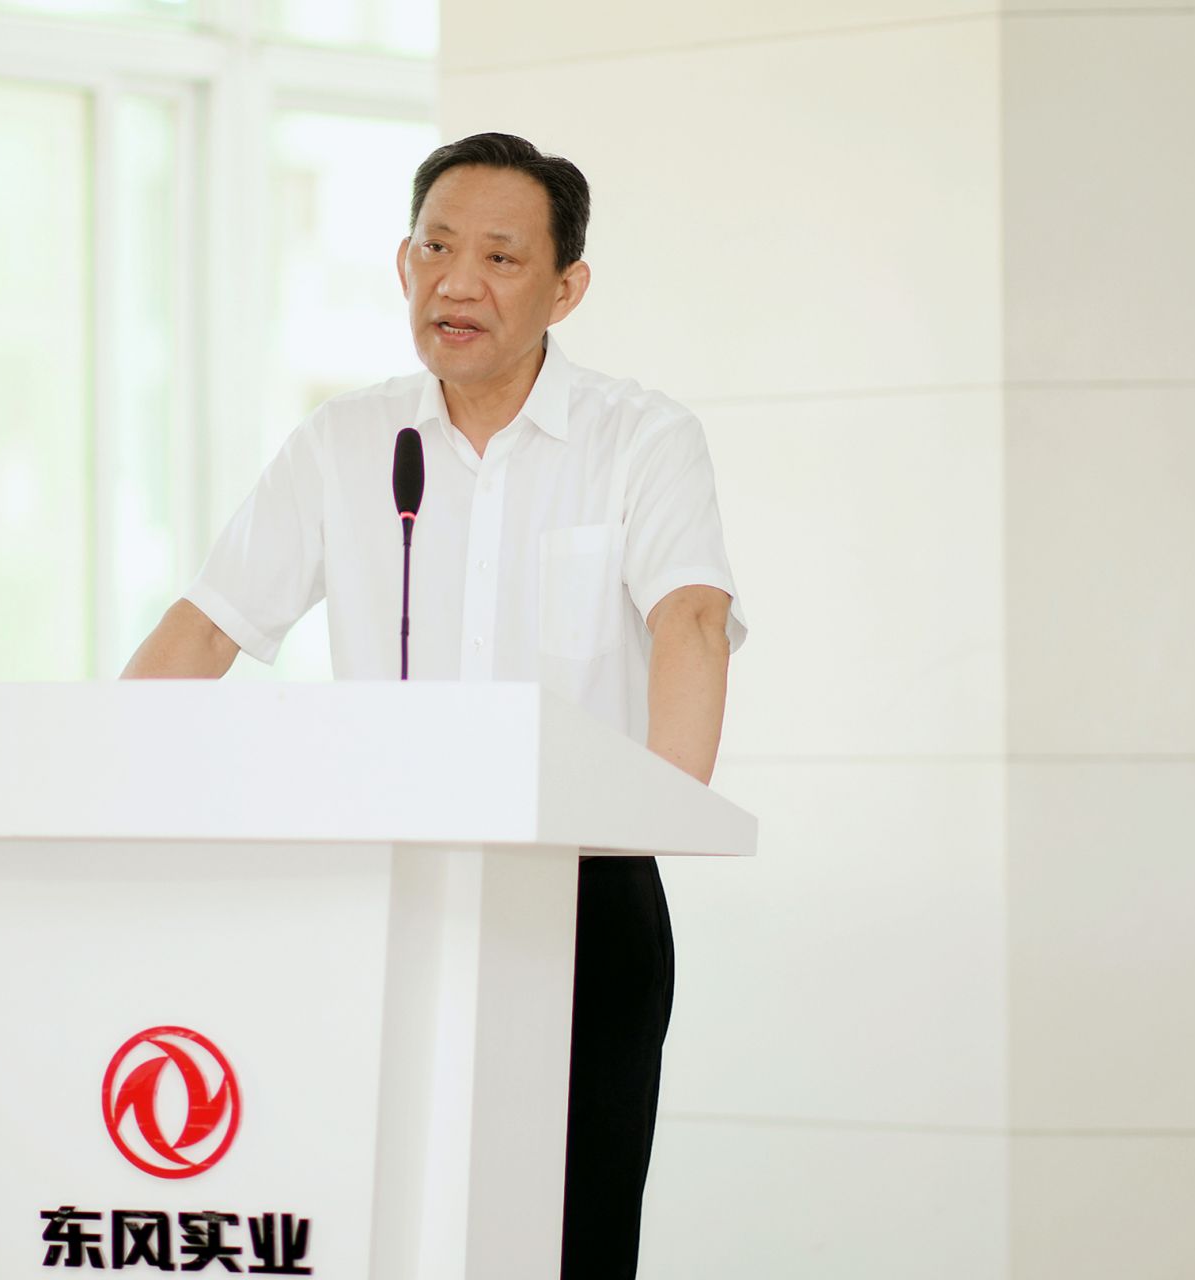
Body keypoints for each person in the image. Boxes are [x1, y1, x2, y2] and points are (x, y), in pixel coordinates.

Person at [122, 131, 746, 1280]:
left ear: (567, 288)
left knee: (573, 1231)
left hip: (582, 894)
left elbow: (690, 620)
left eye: (500, 258)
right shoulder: (346, 442)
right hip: (388, 893)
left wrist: (664, 810)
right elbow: (208, 625)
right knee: (385, 1221)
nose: (458, 282)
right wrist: (98, 784)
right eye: (435, 248)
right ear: (402, 262)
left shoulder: (640, 439)